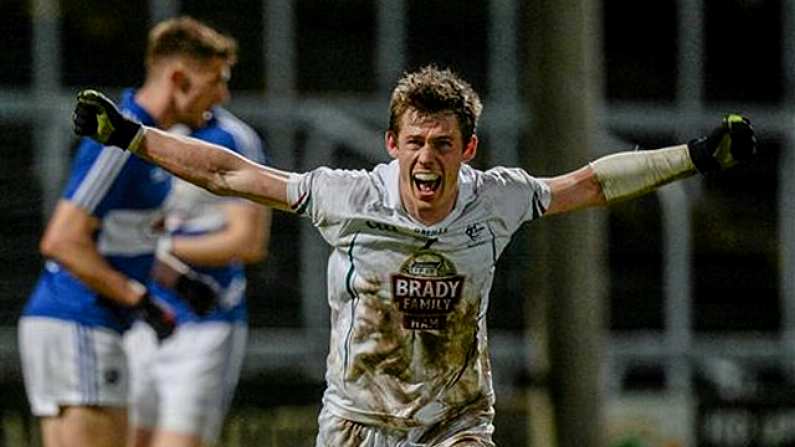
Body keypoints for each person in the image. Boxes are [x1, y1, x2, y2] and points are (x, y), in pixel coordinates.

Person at [72, 65, 757, 446]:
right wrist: (133, 135)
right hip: (355, 422)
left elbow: (588, 182)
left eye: (441, 142)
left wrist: (693, 157)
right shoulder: (344, 195)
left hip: (455, 425)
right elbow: (230, 175)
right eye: (415, 141)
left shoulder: (499, 199)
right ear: (392, 145)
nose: (426, 155)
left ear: (467, 150)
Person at [18, 16, 240, 447]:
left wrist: (178, 280)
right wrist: (138, 300)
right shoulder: (121, 136)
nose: (222, 94)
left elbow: (120, 239)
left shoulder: (145, 139)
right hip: (79, 318)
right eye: (216, 80)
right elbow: (62, 240)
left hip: (74, 322)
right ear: (178, 78)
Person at [124, 105, 269, 447]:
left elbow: (248, 241)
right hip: (139, 317)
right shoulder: (134, 128)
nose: (222, 92)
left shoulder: (232, 138)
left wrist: (159, 247)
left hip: (205, 322)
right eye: (214, 78)